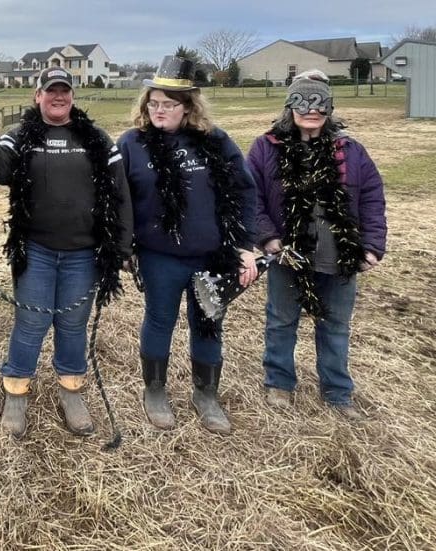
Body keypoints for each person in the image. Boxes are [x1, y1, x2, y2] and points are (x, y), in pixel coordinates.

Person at [0, 66, 133, 438]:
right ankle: (16, 392)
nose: (58, 96)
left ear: (72, 96)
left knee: (72, 326)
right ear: (38, 96)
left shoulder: (96, 139)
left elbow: (120, 195)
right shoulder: (20, 136)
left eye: (64, 90)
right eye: (51, 90)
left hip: (83, 255)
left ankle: (72, 392)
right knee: (30, 324)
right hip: (35, 251)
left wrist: (122, 245)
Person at [116, 56, 258, 435]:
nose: (160, 111)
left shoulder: (216, 141)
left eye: (169, 104)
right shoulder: (132, 144)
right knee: (160, 320)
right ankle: (156, 390)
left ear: (188, 106)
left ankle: (206, 394)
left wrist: (246, 246)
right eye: (154, 103)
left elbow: (244, 192)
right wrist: (122, 246)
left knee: (208, 324)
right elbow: (117, 199)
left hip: (212, 254)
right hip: (159, 255)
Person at [247, 70, 386, 421]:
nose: (312, 109)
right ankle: (279, 382)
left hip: (339, 256)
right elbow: (251, 198)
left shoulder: (352, 150)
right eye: (303, 100)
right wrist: (268, 238)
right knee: (281, 321)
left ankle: (337, 392)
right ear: (289, 105)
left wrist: (371, 245)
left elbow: (372, 198)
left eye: (320, 101)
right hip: (288, 256)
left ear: (330, 107)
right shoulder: (266, 147)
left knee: (336, 325)